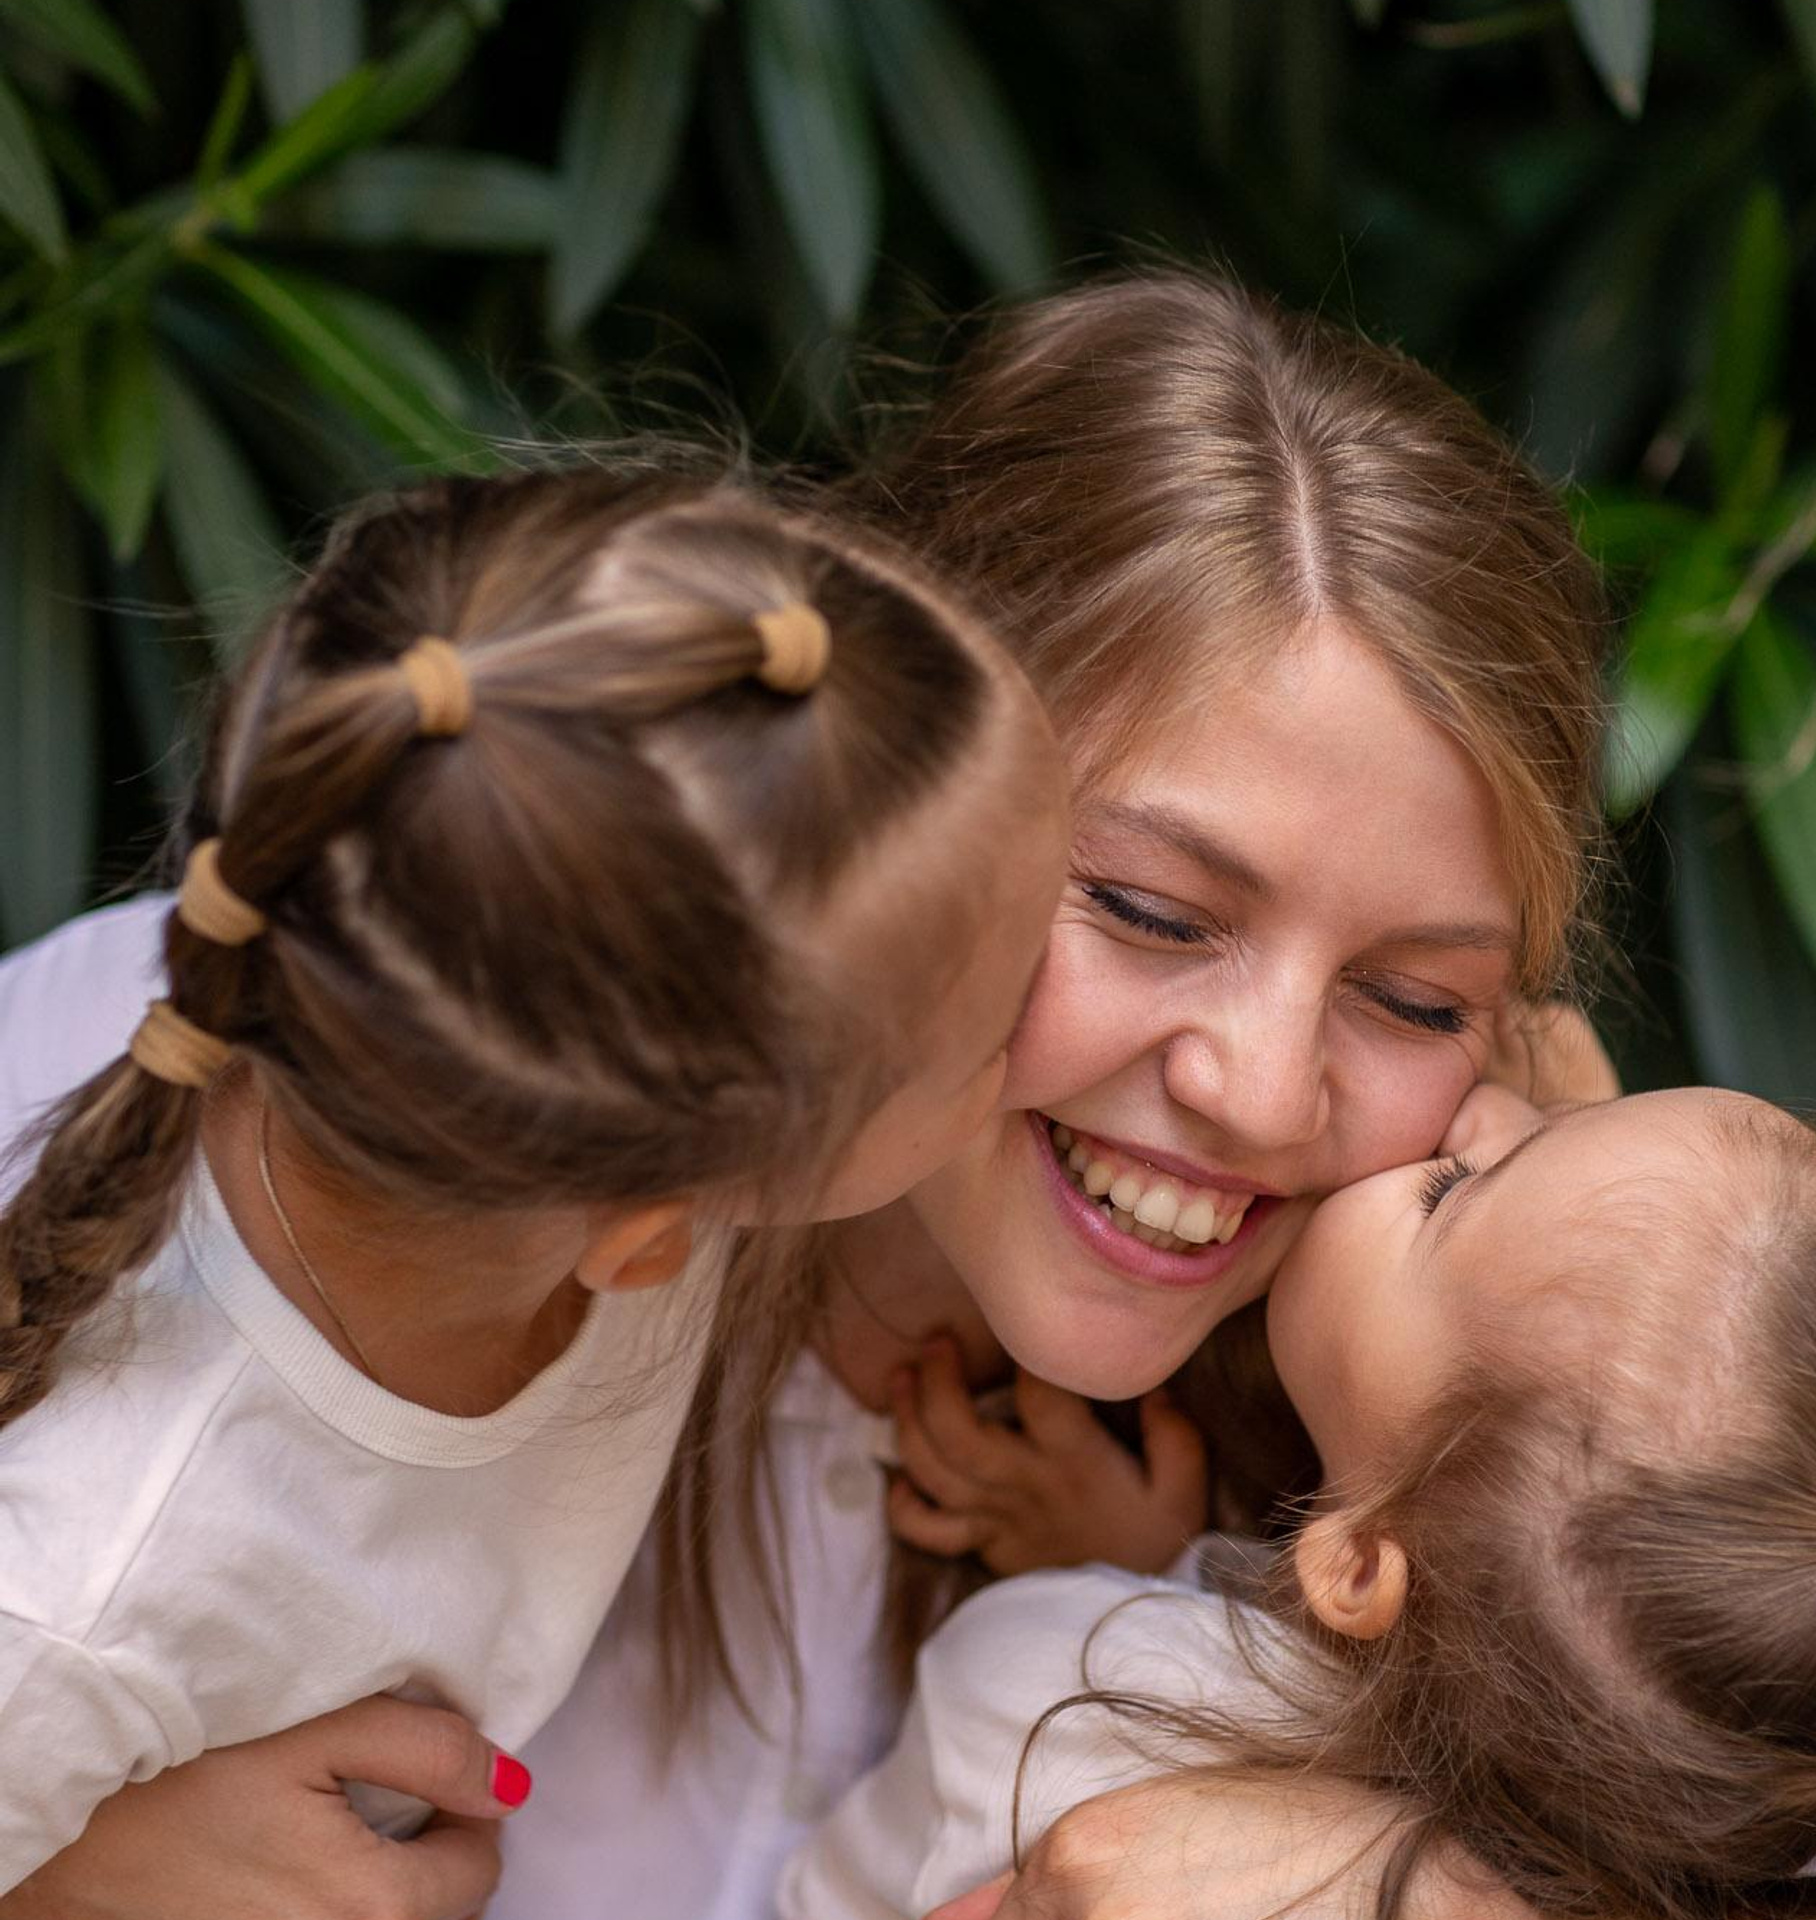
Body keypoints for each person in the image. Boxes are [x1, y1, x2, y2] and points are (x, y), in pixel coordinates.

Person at [0, 271, 1617, 1920]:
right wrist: (67, 1879)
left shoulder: (1460, 1465)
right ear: (895, 787)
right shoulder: (352, 1039)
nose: (1266, 1093)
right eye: (1145, 910)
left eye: (1418, 997)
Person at [0, 466, 1068, 1897]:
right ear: (649, 1242)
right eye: (992, 1033)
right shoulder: (80, 1595)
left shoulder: (481, 1020)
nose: (1054, 1025)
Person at [784, 1082, 1816, 1919]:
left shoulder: (1043, 1700)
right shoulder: (1794, 1829)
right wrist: (1145, 1557)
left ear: (1363, 1565)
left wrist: (1084, 1602)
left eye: (1450, 1194)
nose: (1483, 1110)